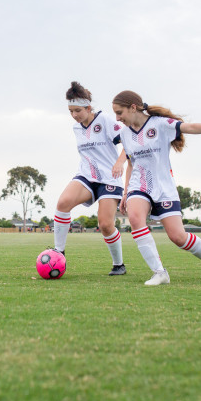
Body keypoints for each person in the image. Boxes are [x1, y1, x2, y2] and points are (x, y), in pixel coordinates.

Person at [112, 90, 201, 286]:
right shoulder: (125, 134)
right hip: (139, 186)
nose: (117, 119)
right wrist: (126, 192)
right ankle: (159, 273)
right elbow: (131, 163)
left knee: (178, 237)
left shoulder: (160, 124)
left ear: (133, 107)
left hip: (163, 187)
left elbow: (189, 126)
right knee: (135, 218)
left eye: (120, 113)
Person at [52, 81, 128, 276]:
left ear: (88, 107)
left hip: (109, 179)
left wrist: (120, 162)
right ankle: (59, 253)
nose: (74, 115)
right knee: (63, 203)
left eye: (78, 110)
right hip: (86, 176)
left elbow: (129, 142)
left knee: (105, 224)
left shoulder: (105, 121)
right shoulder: (76, 128)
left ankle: (119, 264)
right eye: (71, 111)